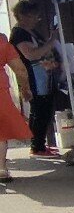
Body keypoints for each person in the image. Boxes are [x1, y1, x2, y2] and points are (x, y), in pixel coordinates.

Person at [10, 0, 60, 158]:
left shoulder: (32, 32)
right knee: (39, 111)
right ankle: (37, 146)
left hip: (44, 77)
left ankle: (39, 144)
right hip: (33, 78)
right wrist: (52, 41)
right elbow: (31, 55)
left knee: (42, 110)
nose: (36, 20)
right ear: (22, 16)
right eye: (33, 16)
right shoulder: (19, 34)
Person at [0, 32, 34, 181]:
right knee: (1, 132)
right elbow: (21, 70)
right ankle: (1, 169)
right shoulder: (3, 45)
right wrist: (25, 89)